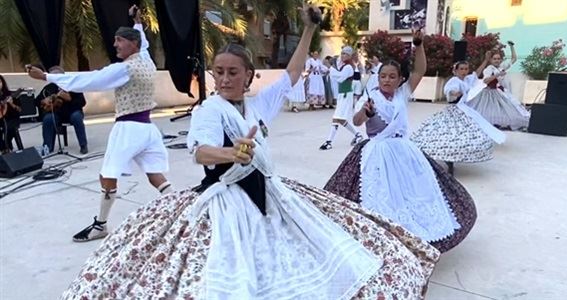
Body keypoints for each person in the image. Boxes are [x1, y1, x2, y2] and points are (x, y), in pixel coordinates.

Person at [60, 6, 439, 299]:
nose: (224, 79)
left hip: (269, 190)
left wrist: (308, 28)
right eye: (218, 72)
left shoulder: (258, 105)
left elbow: (291, 75)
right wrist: (232, 154)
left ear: (249, 76)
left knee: (327, 248)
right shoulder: (210, 109)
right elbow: (199, 152)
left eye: (232, 72)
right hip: (228, 197)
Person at [26, 5, 173, 242]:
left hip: (128, 129)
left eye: (119, 41)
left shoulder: (124, 68)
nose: (115, 44)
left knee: (107, 175)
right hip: (148, 128)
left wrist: (46, 77)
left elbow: (89, 79)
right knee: (155, 175)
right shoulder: (146, 59)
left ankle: (101, 225)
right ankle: (180, 209)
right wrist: (136, 22)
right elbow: (143, 42)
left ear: (131, 44)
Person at [324, 29, 477, 253]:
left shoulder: (403, 93)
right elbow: (356, 122)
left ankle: (416, 238)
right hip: (377, 153)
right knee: (379, 197)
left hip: (405, 152)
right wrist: (365, 114)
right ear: (378, 78)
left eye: (392, 76)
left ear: (400, 79)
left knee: (416, 194)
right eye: (383, 76)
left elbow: (420, 69)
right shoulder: (370, 97)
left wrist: (419, 45)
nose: (387, 80)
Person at [411, 55, 507, 174]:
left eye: (466, 69)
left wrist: (485, 60)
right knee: (449, 134)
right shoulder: (454, 81)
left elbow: (476, 74)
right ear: (455, 71)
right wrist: (454, 92)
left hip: (465, 110)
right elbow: (450, 90)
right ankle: (447, 160)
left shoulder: (467, 80)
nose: (464, 71)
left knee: (465, 135)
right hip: (454, 109)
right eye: (461, 69)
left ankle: (453, 159)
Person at [466, 41, 529, 130]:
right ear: (491, 60)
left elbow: (514, 59)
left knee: (506, 107)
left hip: (498, 91)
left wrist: (511, 47)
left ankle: (500, 123)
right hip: (488, 92)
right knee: (489, 109)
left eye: (498, 59)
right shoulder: (489, 69)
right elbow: (486, 81)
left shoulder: (501, 67)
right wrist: (497, 75)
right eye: (495, 59)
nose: (497, 60)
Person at [319, 46, 364, 150]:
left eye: (345, 54)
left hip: (345, 93)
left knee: (337, 118)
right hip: (343, 93)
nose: (343, 56)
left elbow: (340, 78)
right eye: (342, 53)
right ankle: (358, 135)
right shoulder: (345, 65)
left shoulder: (348, 67)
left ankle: (329, 141)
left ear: (349, 56)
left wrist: (330, 68)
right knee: (341, 119)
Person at [36, 66, 89, 154]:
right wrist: (44, 101)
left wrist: (70, 99)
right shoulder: (49, 88)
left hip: (73, 112)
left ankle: (83, 145)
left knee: (77, 117)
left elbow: (82, 102)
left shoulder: (73, 85)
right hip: (57, 114)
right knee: (48, 119)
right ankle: (47, 147)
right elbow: (36, 101)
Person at [0, 75, 22, 154]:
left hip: (12, 119)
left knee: (9, 128)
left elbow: (19, 110)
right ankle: (4, 147)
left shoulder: (10, 94)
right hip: (1, 120)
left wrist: (12, 104)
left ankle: (6, 147)